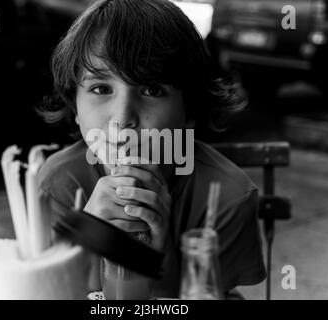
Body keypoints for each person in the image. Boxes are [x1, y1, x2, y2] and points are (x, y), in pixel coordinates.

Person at [37, 0, 266, 299]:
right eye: (101, 89)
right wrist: (87, 236)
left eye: (152, 90)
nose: (122, 119)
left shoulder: (227, 197)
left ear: (190, 111)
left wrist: (158, 256)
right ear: (75, 107)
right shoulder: (57, 185)